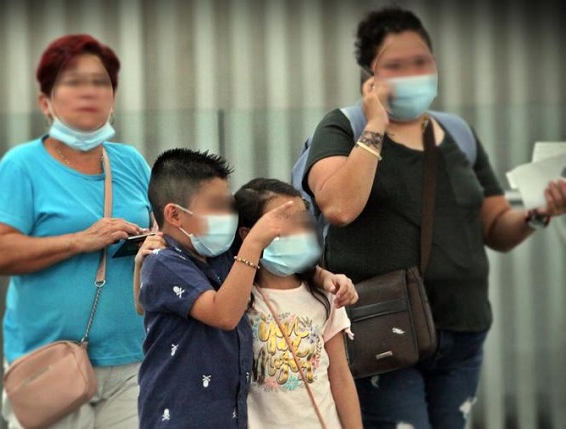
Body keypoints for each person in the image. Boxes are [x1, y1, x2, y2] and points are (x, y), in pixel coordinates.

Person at [301, 7, 566, 429]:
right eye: (396, 65)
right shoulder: (343, 127)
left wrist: (539, 214)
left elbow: (494, 228)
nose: (412, 73)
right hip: (384, 335)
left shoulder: (457, 132)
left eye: (421, 61)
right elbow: (338, 206)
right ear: (370, 75)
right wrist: (375, 123)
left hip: (463, 332)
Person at [0, 34, 151, 428]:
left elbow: (159, 232)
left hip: (131, 358)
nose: (89, 91)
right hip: (49, 362)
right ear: (46, 102)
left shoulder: (131, 162)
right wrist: (81, 240)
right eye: (73, 81)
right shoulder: (21, 165)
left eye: (101, 81)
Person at [135, 149, 358, 429]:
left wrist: (324, 277)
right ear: (175, 215)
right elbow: (224, 314)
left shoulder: (219, 257)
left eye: (229, 207)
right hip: (180, 416)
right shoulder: (166, 261)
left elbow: (275, 263)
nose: (227, 217)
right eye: (216, 207)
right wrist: (255, 241)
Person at [233, 178, 362, 429]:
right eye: (284, 221)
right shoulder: (237, 299)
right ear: (248, 235)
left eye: (303, 220)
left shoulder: (325, 295)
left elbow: (340, 375)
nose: (301, 231)